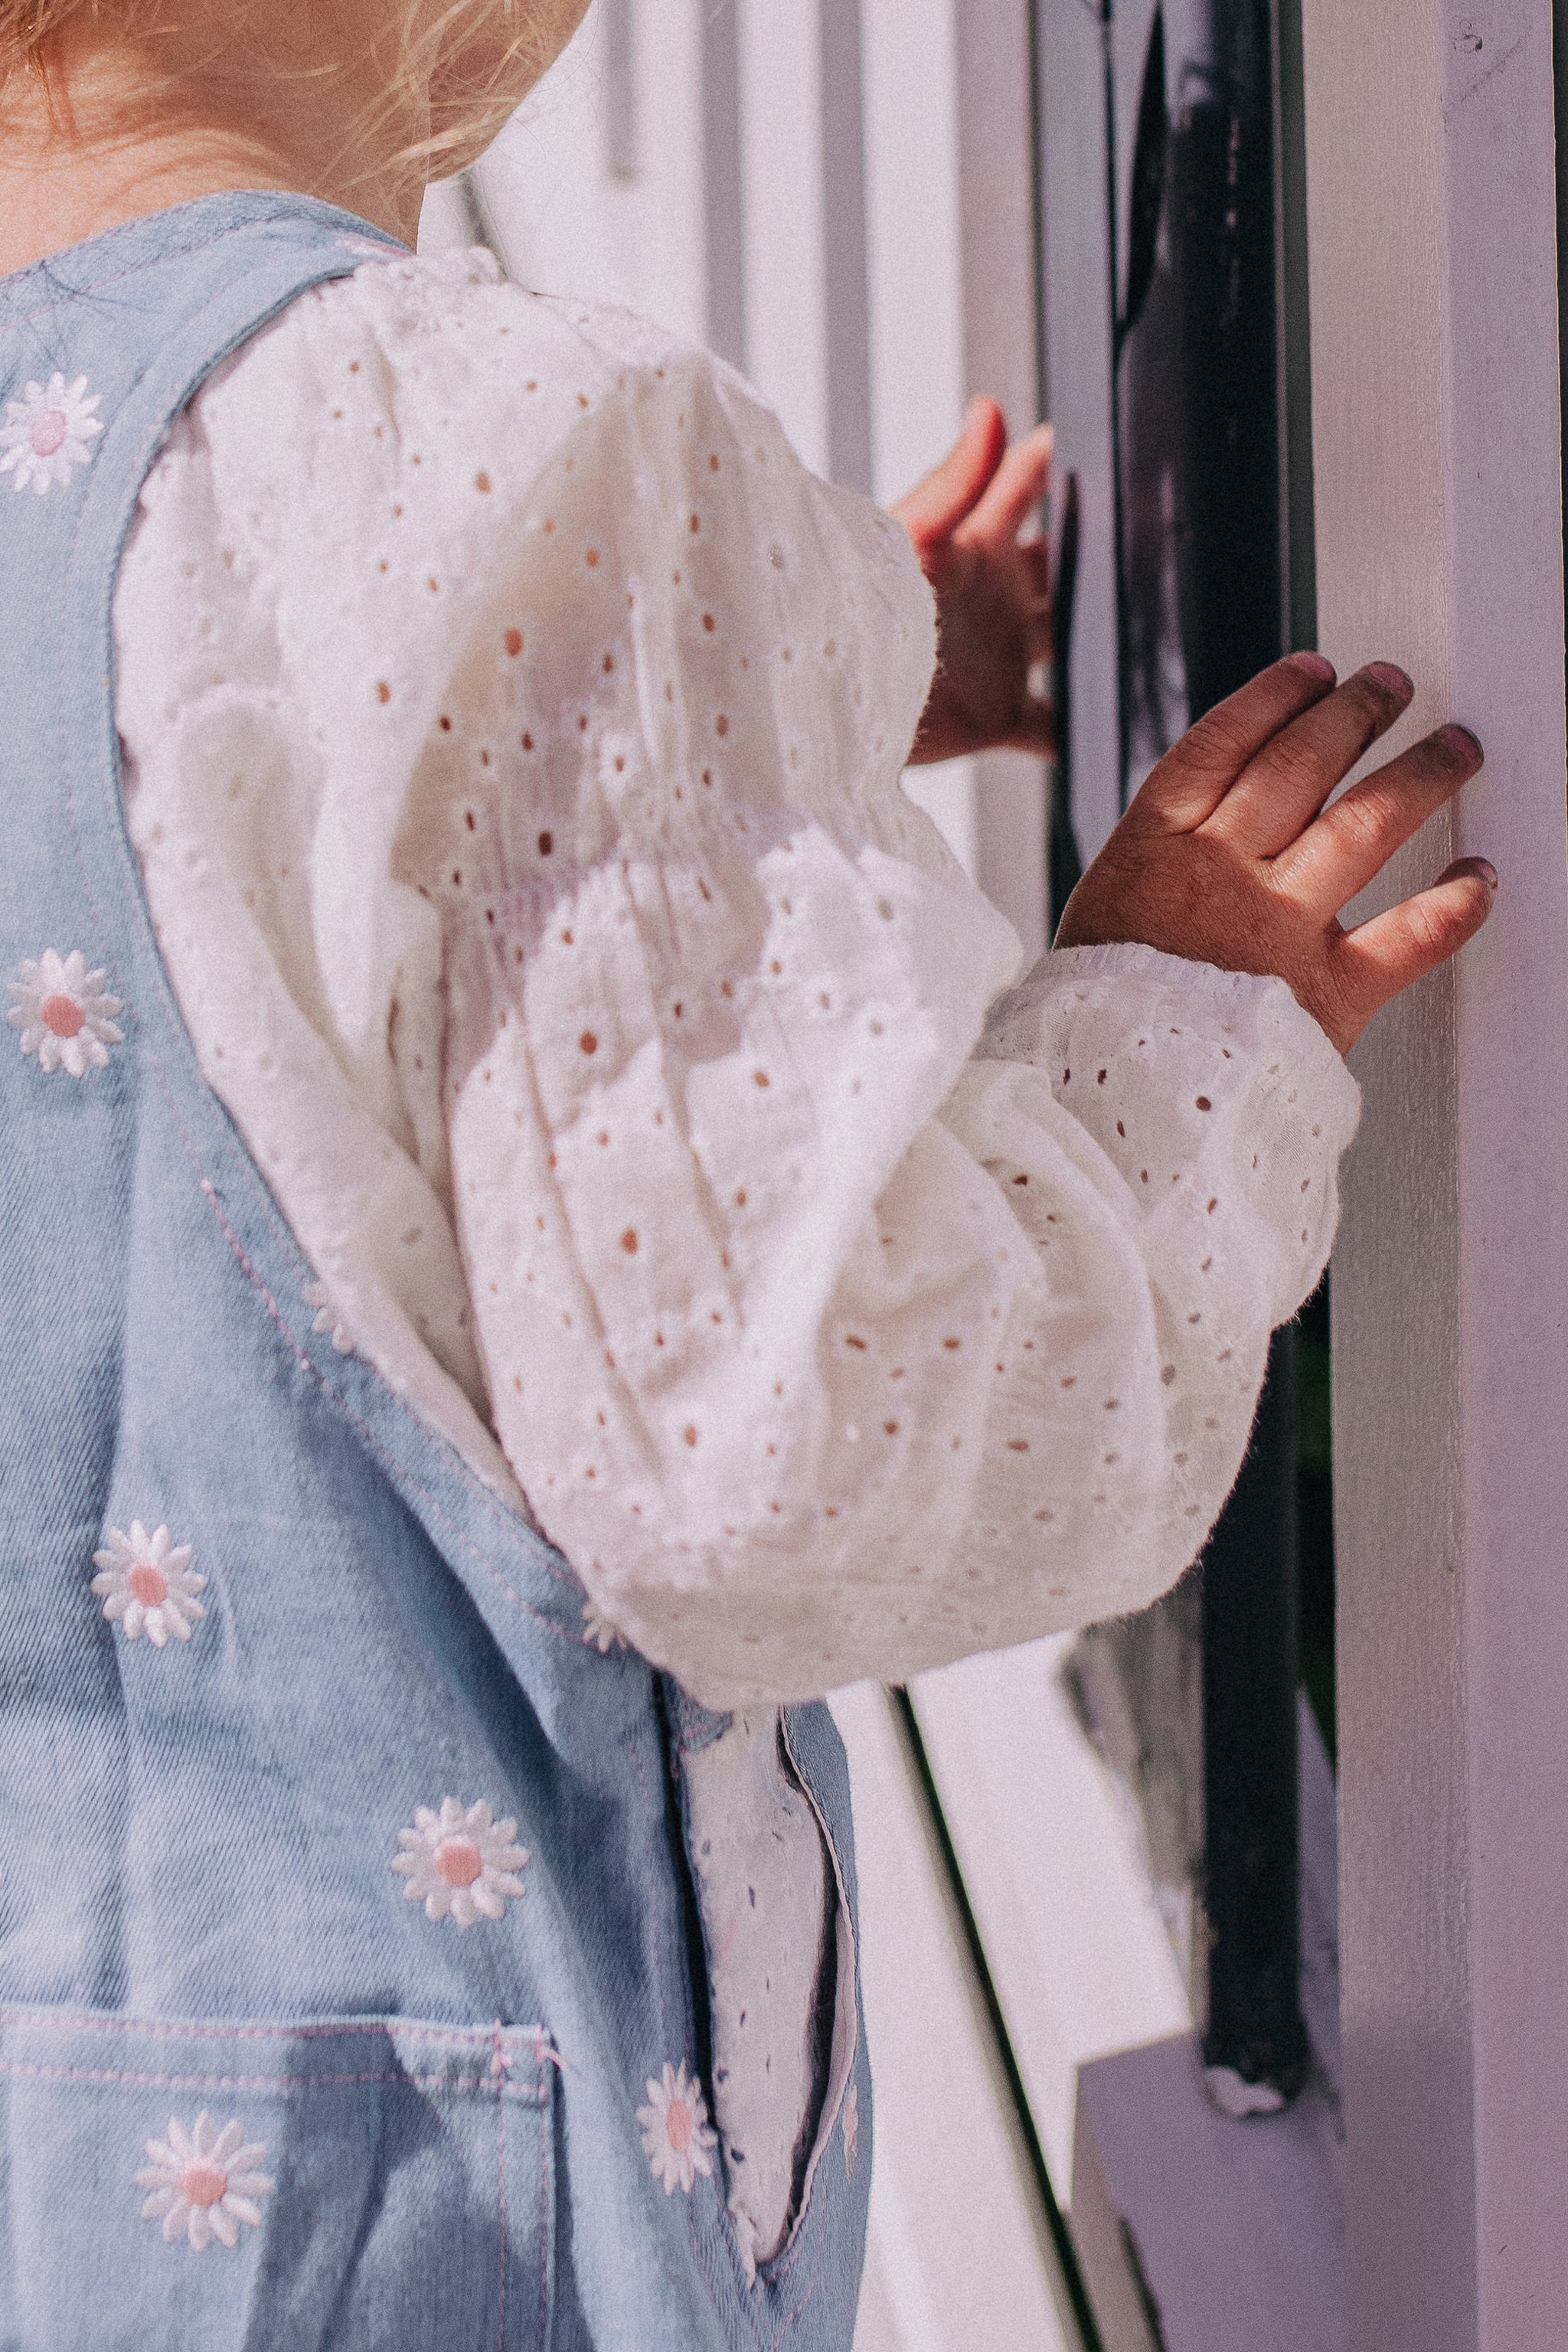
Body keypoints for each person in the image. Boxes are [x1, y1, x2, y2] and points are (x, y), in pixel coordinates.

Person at [0, 2, 1494, 2344]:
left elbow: (230, 828)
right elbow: (795, 1441)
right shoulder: (492, 450)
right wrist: (1175, 1040)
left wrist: (777, 683)